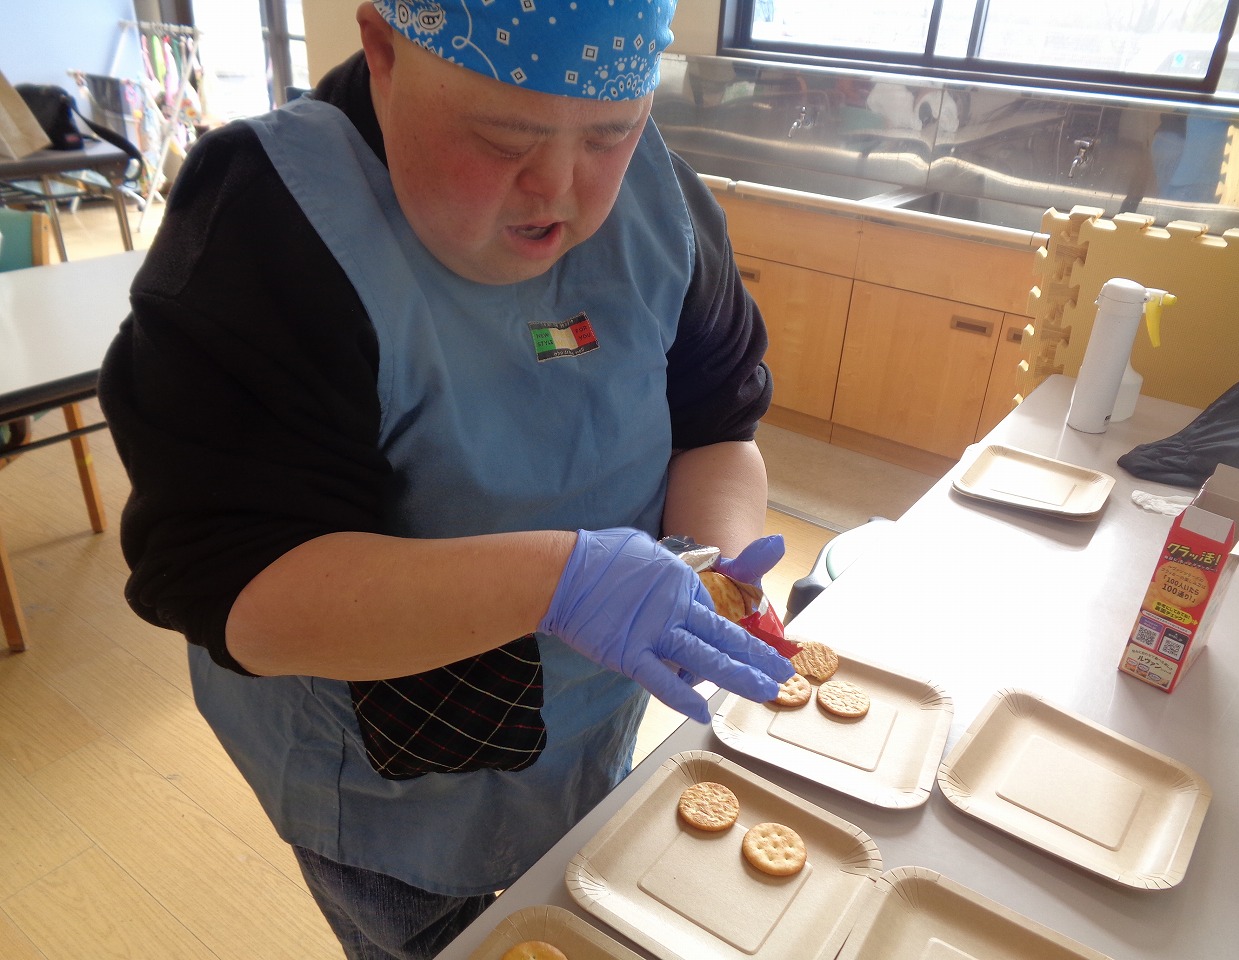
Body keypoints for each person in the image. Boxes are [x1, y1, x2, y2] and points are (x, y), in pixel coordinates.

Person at [99, 2, 794, 957]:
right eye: (504, 137)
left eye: (610, 132)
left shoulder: (660, 205)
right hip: (391, 780)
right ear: (384, 51)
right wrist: (558, 580)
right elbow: (237, 581)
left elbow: (715, 423)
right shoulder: (269, 222)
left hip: (592, 717)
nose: (558, 187)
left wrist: (717, 570)